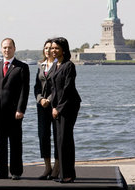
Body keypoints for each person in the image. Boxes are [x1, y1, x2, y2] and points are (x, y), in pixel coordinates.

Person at [0, 38, 30, 180]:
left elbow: (25, 91)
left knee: (15, 142)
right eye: (4, 47)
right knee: (0, 143)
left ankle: (16, 171)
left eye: (9, 47)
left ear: (14, 48)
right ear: (1, 49)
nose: (7, 50)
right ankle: (1, 171)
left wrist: (21, 109)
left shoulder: (22, 67)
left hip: (14, 112)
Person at [50, 37, 81, 184]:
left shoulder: (69, 66)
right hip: (58, 107)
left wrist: (58, 108)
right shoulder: (56, 64)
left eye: (56, 48)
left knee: (65, 140)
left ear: (64, 49)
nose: (53, 50)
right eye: (52, 48)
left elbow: (67, 89)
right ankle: (65, 174)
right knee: (60, 140)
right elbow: (55, 89)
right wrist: (53, 106)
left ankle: (68, 175)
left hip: (69, 106)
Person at [33, 39, 59, 180]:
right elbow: (36, 86)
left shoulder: (60, 65)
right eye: (46, 48)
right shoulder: (41, 66)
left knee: (57, 136)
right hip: (41, 106)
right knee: (43, 136)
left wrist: (48, 99)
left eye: (51, 48)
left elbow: (58, 87)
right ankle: (47, 166)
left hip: (55, 106)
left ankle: (57, 167)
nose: (48, 50)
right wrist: (40, 99)